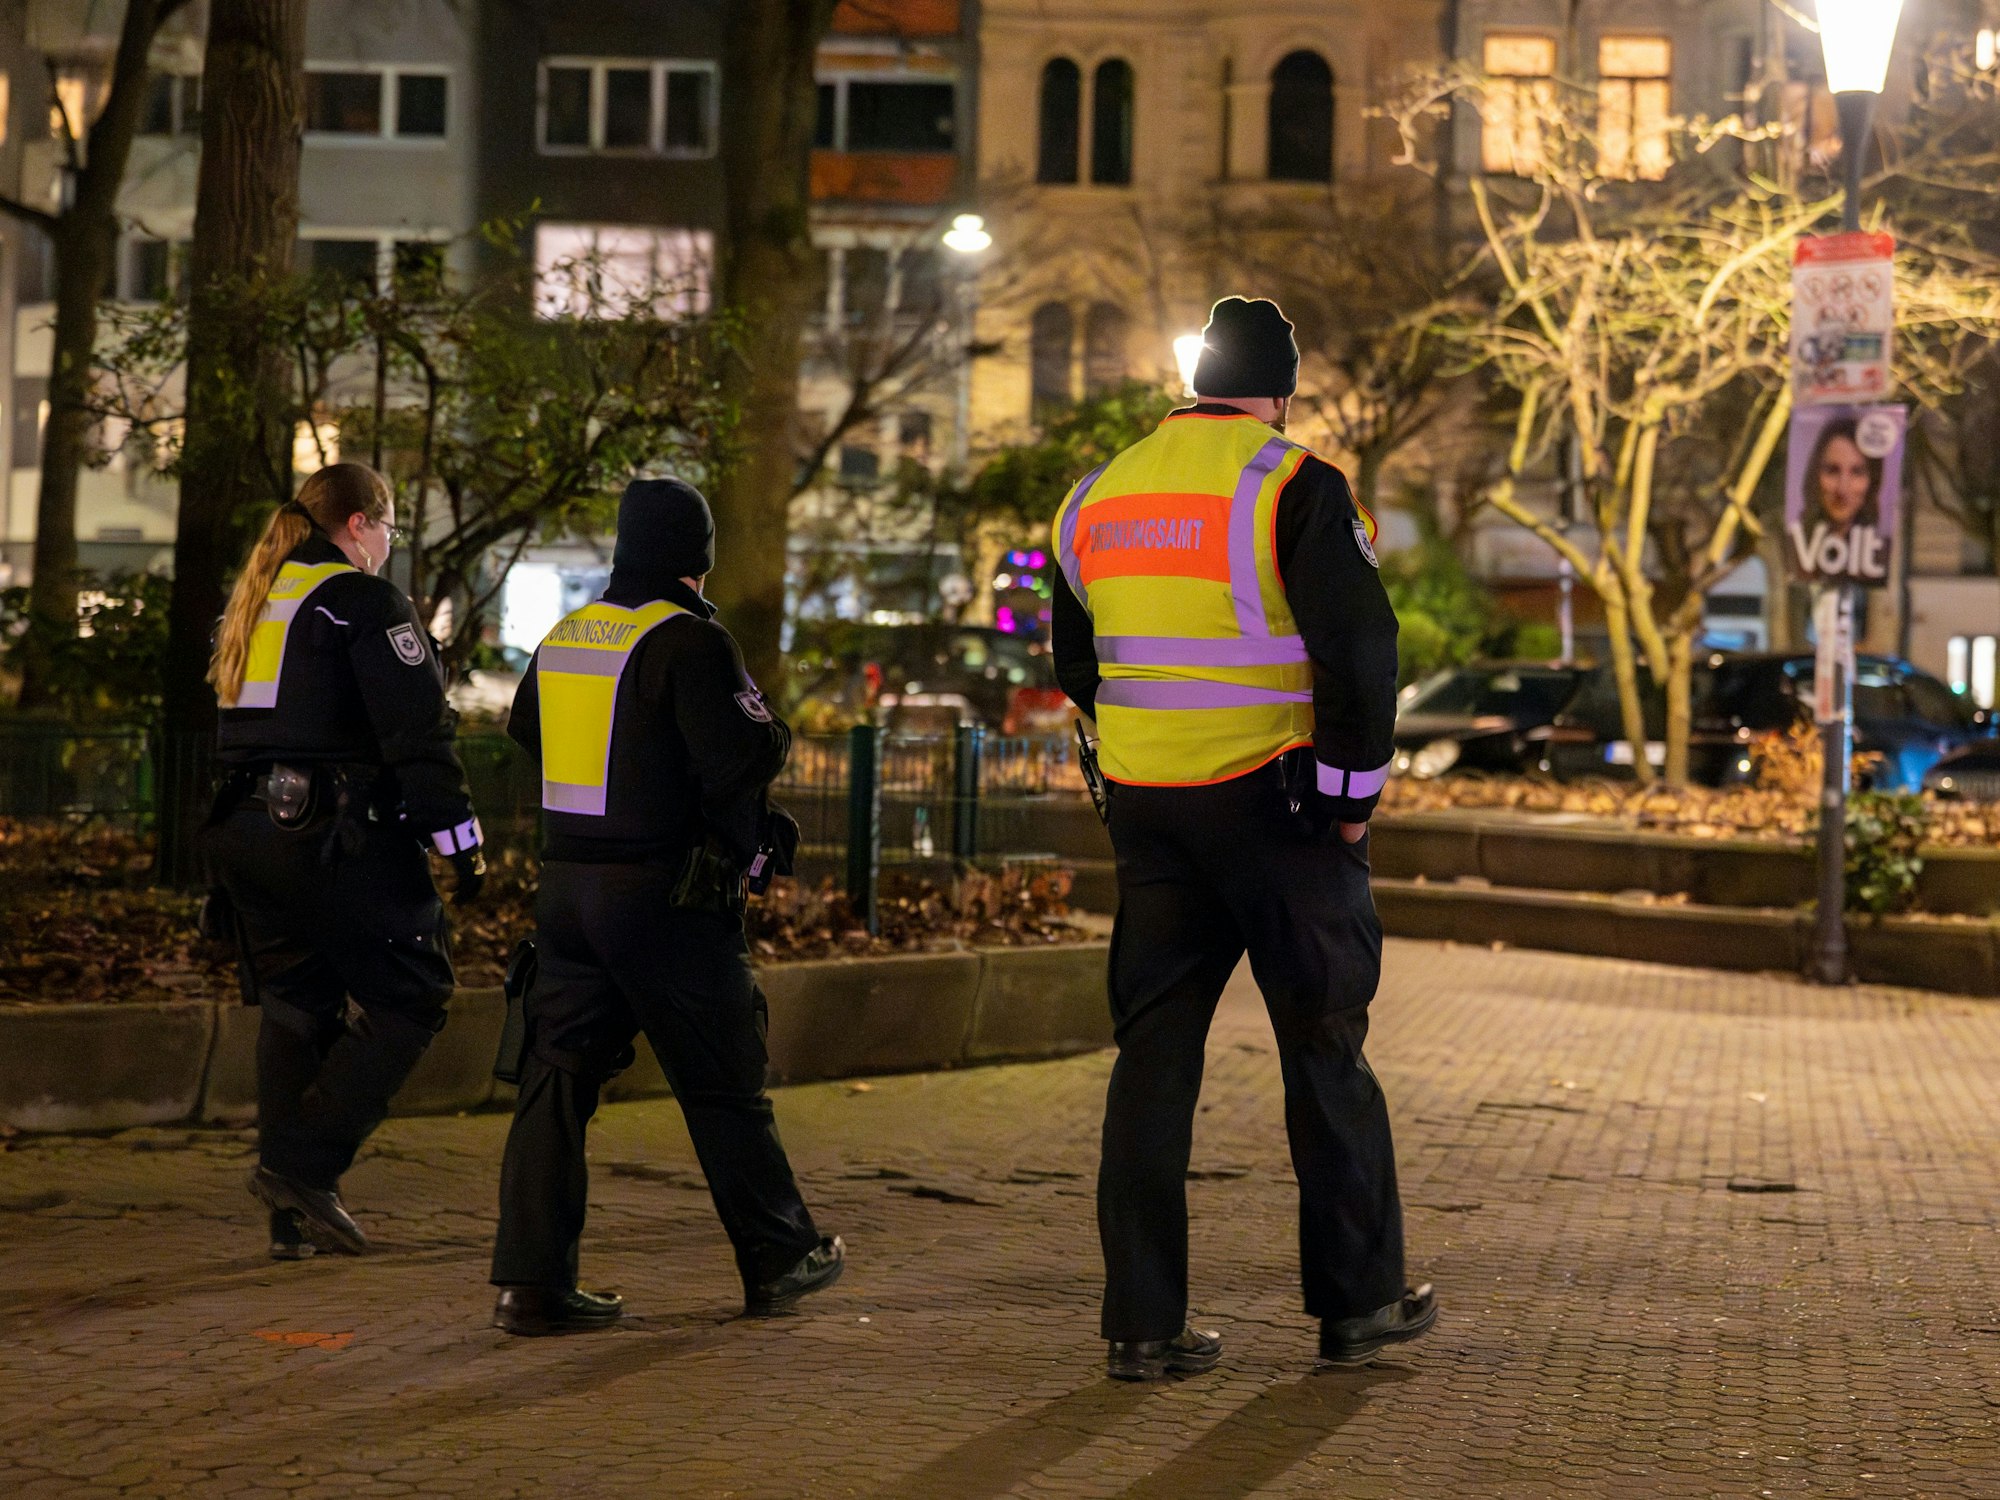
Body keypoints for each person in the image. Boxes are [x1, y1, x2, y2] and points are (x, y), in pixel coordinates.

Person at [1050, 297, 1436, 1381]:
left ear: (1191, 381)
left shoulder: (1095, 495)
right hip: (1279, 810)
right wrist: (1350, 794)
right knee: (1323, 1045)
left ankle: (1140, 1323)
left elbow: (1077, 667)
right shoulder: (1292, 484)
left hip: (1147, 811)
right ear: (1276, 391)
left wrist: (1140, 747)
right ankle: (1356, 1304)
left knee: (1151, 1060)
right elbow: (1360, 653)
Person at [488, 477, 840, 1337]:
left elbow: (527, 732)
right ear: (698, 558)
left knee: (555, 1081)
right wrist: (768, 738)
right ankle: (780, 1255)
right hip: (664, 897)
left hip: (566, 892)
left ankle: (530, 1286)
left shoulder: (567, 636)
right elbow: (738, 759)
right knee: (722, 1082)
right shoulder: (689, 640)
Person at [204, 462, 485, 1260]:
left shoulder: (257, 600)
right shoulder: (361, 601)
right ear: (359, 524)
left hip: (247, 832)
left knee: (297, 1003)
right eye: (388, 530)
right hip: (333, 831)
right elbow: (416, 733)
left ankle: (291, 1215)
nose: (388, 546)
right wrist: (458, 841)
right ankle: (302, 1166)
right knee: (414, 994)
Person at [1806, 418, 1883, 536]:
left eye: (1857, 472)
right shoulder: (1785, 540)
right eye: (1832, 471)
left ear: (1872, 481)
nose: (1842, 489)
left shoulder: (1883, 547)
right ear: (1815, 474)